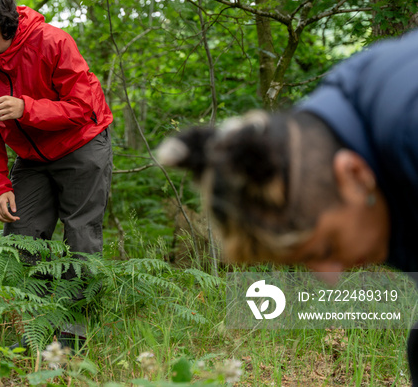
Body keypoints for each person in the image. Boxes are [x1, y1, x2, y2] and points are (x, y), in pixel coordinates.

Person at [156, 28, 418, 383]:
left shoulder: (408, 127)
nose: (329, 279)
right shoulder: (317, 136)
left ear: (354, 176)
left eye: (326, 247)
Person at [0, 0, 113, 349]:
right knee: (21, 238)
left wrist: (27, 108)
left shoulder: (53, 41)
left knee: (81, 238)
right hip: (31, 158)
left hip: (81, 145)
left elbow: (84, 107)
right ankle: (37, 327)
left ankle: (72, 335)